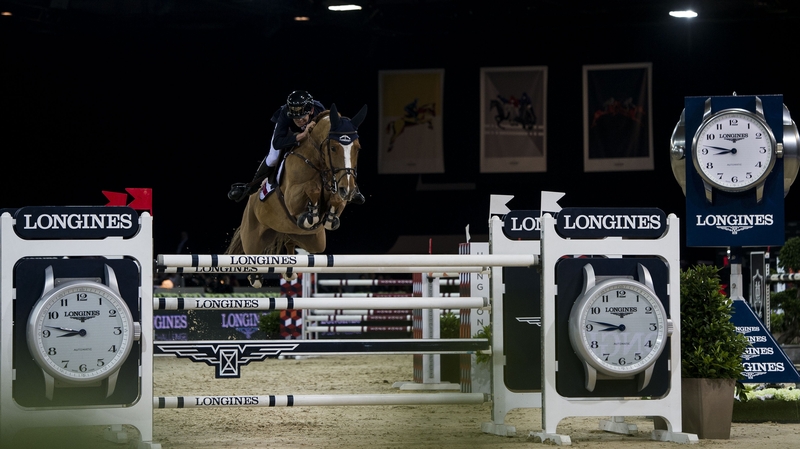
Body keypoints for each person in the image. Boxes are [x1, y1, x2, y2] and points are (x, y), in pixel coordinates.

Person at [227, 90, 365, 204]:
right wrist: (303, 134)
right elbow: (277, 143)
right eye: (296, 118)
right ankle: (251, 187)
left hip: (311, 140)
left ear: (311, 111)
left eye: (302, 117)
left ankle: (353, 186)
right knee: (273, 157)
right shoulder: (284, 114)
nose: (299, 120)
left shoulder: (319, 110)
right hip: (288, 136)